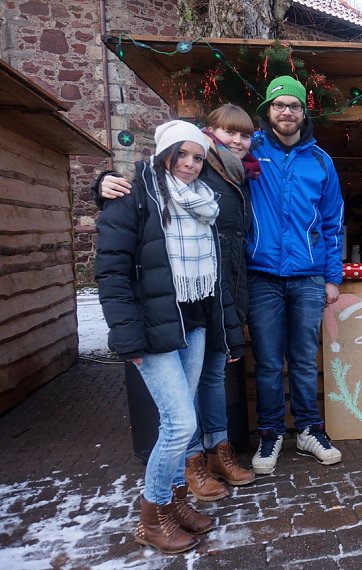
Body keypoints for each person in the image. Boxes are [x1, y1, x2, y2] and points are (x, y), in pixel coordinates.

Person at [95, 120, 245, 553]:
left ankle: (176, 503)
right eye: (183, 154)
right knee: (180, 423)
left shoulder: (204, 203)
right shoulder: (134, 196)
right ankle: (152, 515)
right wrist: (128, 340)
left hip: (193, 323)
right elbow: (111, 273)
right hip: (153, 330)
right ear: (165, 153)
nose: (190, 164)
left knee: (182, 422)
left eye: (198, 157)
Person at [247, 76, 345, 473]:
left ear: (304, 112)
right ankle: (270, 435)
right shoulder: (249, 152)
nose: (286, 112)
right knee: (268, 362)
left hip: (307, 276)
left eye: (294, 105)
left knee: (304, 359)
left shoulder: (320, 160)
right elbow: (195, 151)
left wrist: (332, 276)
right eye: (279, 105)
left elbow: (334, 221)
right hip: (262, 274)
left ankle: (308, 431)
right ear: (268, 111)